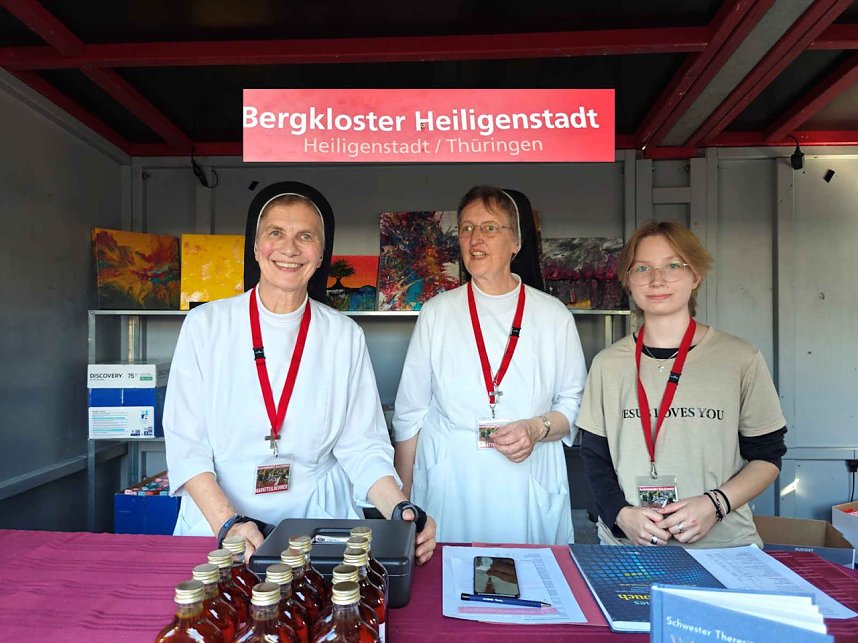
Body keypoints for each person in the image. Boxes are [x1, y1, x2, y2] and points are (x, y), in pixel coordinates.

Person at [163, 191, 436, 563]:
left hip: (319, 525)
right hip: (219, 524)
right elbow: (186, 444)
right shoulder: (206, 326)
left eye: (305, 236)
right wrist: (228, 524)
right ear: (256, 247)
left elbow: (363, 447)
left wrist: (400, 508)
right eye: (275, 233)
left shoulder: (343, 335)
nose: (289, 248)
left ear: (320, 255)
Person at [393, 185, 587, 544]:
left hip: (528, 476)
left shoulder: (552, 315)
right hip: (454, 478)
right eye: (466, 228)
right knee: (447, 572)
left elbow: (573, 403)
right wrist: (401, 506)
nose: (475, 238)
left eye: (490, 227)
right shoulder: (438, 312)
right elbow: (410, 413)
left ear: (516, 242)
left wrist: (536, 428)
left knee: (530, 571)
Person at [577, 220, 787, 548]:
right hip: (629, 551)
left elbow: (768, 458)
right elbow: (594, 458)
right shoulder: (607, 364)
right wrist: (621, 514)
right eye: (642, 268)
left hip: (723, 548)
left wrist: (716, 504)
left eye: (673, 266)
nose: (657, 279)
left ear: (696, 276)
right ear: (628, 280)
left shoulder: (740, 358)